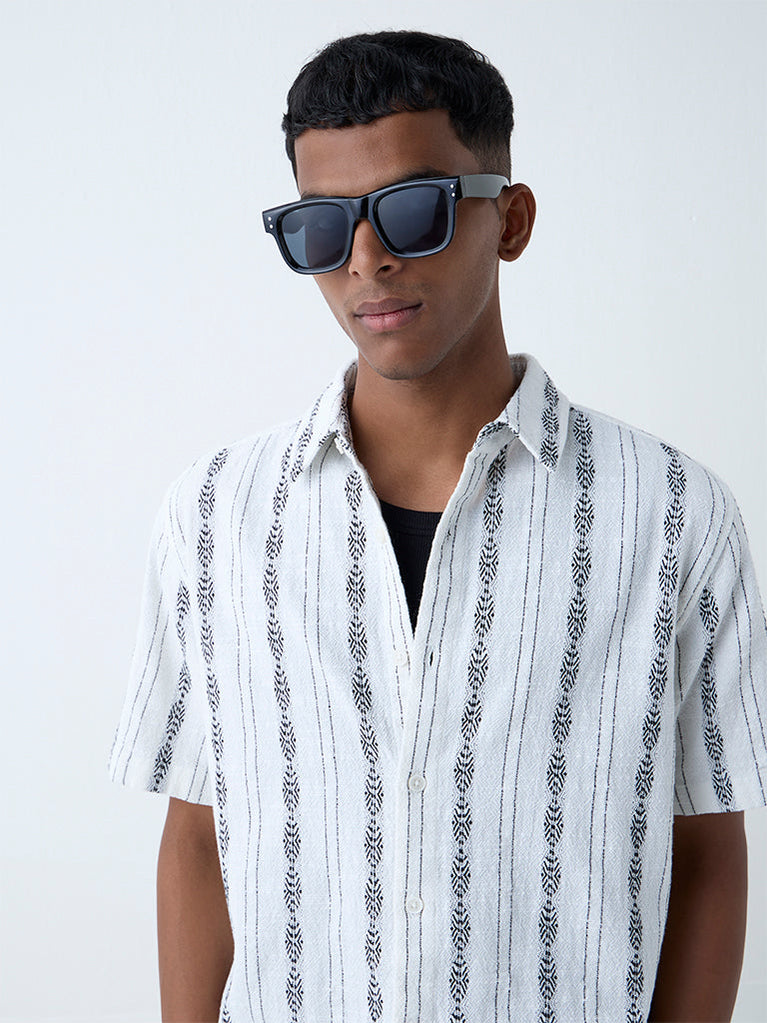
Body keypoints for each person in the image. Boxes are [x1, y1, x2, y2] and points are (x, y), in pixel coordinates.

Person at [109, 30, 767, 1023]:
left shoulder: (671, 515)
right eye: (321, 228)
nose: (365, 260)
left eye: (410, 211)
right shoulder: (213, 518)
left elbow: (705, 852)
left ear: (510, 219)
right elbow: (201, 841)